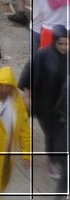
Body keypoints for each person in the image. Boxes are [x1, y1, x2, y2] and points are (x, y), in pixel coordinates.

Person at [19, 24, 68, 184]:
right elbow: (29, 73)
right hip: (45, 102)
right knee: (52, 132)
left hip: (63, 101)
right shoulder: (43, 55)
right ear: (54, 42)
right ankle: (53, 160)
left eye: (66, 43)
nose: (64, 47)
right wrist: (27, 95)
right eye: (60, 43)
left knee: (61, 130)